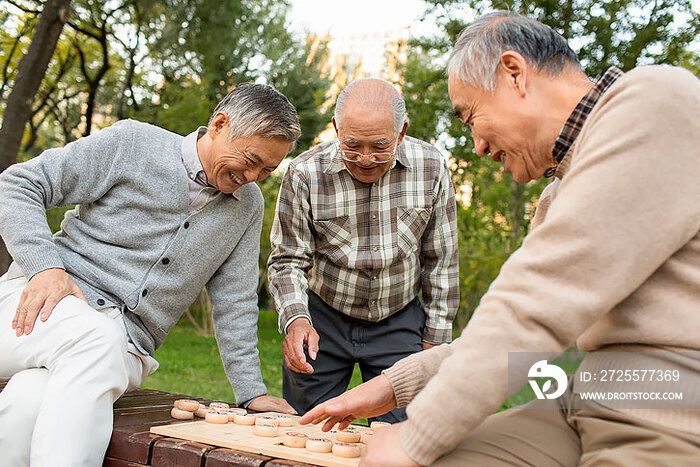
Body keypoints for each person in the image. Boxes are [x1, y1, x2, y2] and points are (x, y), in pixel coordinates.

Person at [299, 11, 700, 466]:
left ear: (514, 74)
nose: (478, 147)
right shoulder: (558, 194)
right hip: (581, 400)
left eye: (471, 118)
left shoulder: (656, 101)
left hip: (671, 405)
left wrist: (413, 441)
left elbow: (533, 305)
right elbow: (517, 340)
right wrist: (390, 387)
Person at [0, 83, 301, 467]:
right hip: (39, 310)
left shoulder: (247, 207)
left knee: (27, 401)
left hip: (124, 349)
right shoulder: (132, 144)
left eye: (268, 169)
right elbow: (19, 183)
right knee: (96, 339)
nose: (254, 175)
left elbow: (236, 303)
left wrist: (250, 392)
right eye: (251, 159)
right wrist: (45, 268)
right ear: (219, 124)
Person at [267, 78, 459, 423]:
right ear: (337, 128)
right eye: (352, 145)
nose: (366, 159)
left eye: (380, 146)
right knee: (306, 430)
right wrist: (295, 319)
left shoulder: (432, 167)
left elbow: (441, 260)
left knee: (401, 436)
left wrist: (436, 342)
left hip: (399, 319)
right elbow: (287, 260)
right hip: (321, 320)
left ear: (401, 133)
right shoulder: (303, 174)